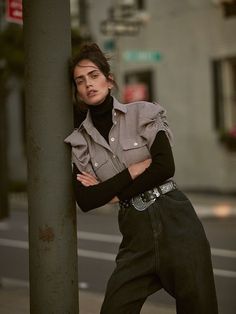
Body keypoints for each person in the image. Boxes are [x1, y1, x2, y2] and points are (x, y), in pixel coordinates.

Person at [65, 43, 218, 314]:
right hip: (135, 236)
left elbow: (163, 167)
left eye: (94, 75)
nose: (88, 84)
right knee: (115, 307)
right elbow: (86, 199)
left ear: (109, 80)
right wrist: (133, 171)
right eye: (80, 80)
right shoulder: (80, 142)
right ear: (76, 90)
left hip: (177, 224)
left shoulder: (142, 114)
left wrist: (114, 193)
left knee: (199, 307)